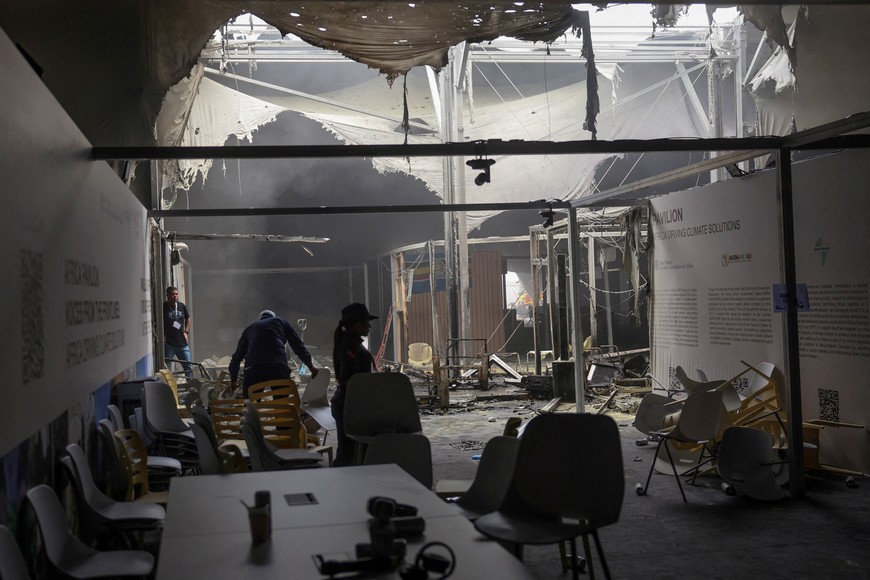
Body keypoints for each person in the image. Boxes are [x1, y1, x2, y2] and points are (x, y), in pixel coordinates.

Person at [229, 310, 319, 398]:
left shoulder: (249, 329)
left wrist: (233, 380)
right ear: (273, 317)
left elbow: (237, 357)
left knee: (250, 404)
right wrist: (310, 366)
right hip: (277, 366)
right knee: (282, 403)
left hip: (253, 369)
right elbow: (297, 345)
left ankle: (251, 410)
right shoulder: (281, 322)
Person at [331, 302, 378, 467]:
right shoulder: (352, 347)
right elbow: (354, 380)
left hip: (346, 402)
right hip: (349, 404)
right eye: (366, 322)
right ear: (357, 324)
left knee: (349, 452)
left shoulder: (350, 344)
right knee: (348, 454)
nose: (369, 325)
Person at [163, 286, 193, 379]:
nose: (175, 296)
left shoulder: (181, 306)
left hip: (182, 343)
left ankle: (191, 386)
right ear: (167, 295)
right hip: (169, 344)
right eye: (172, 294)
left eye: (176, 294)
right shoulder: (163, 307)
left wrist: (186, 332)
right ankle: (166, 388)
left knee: (188, 367)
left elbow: (188, 317)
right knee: (166, 368)